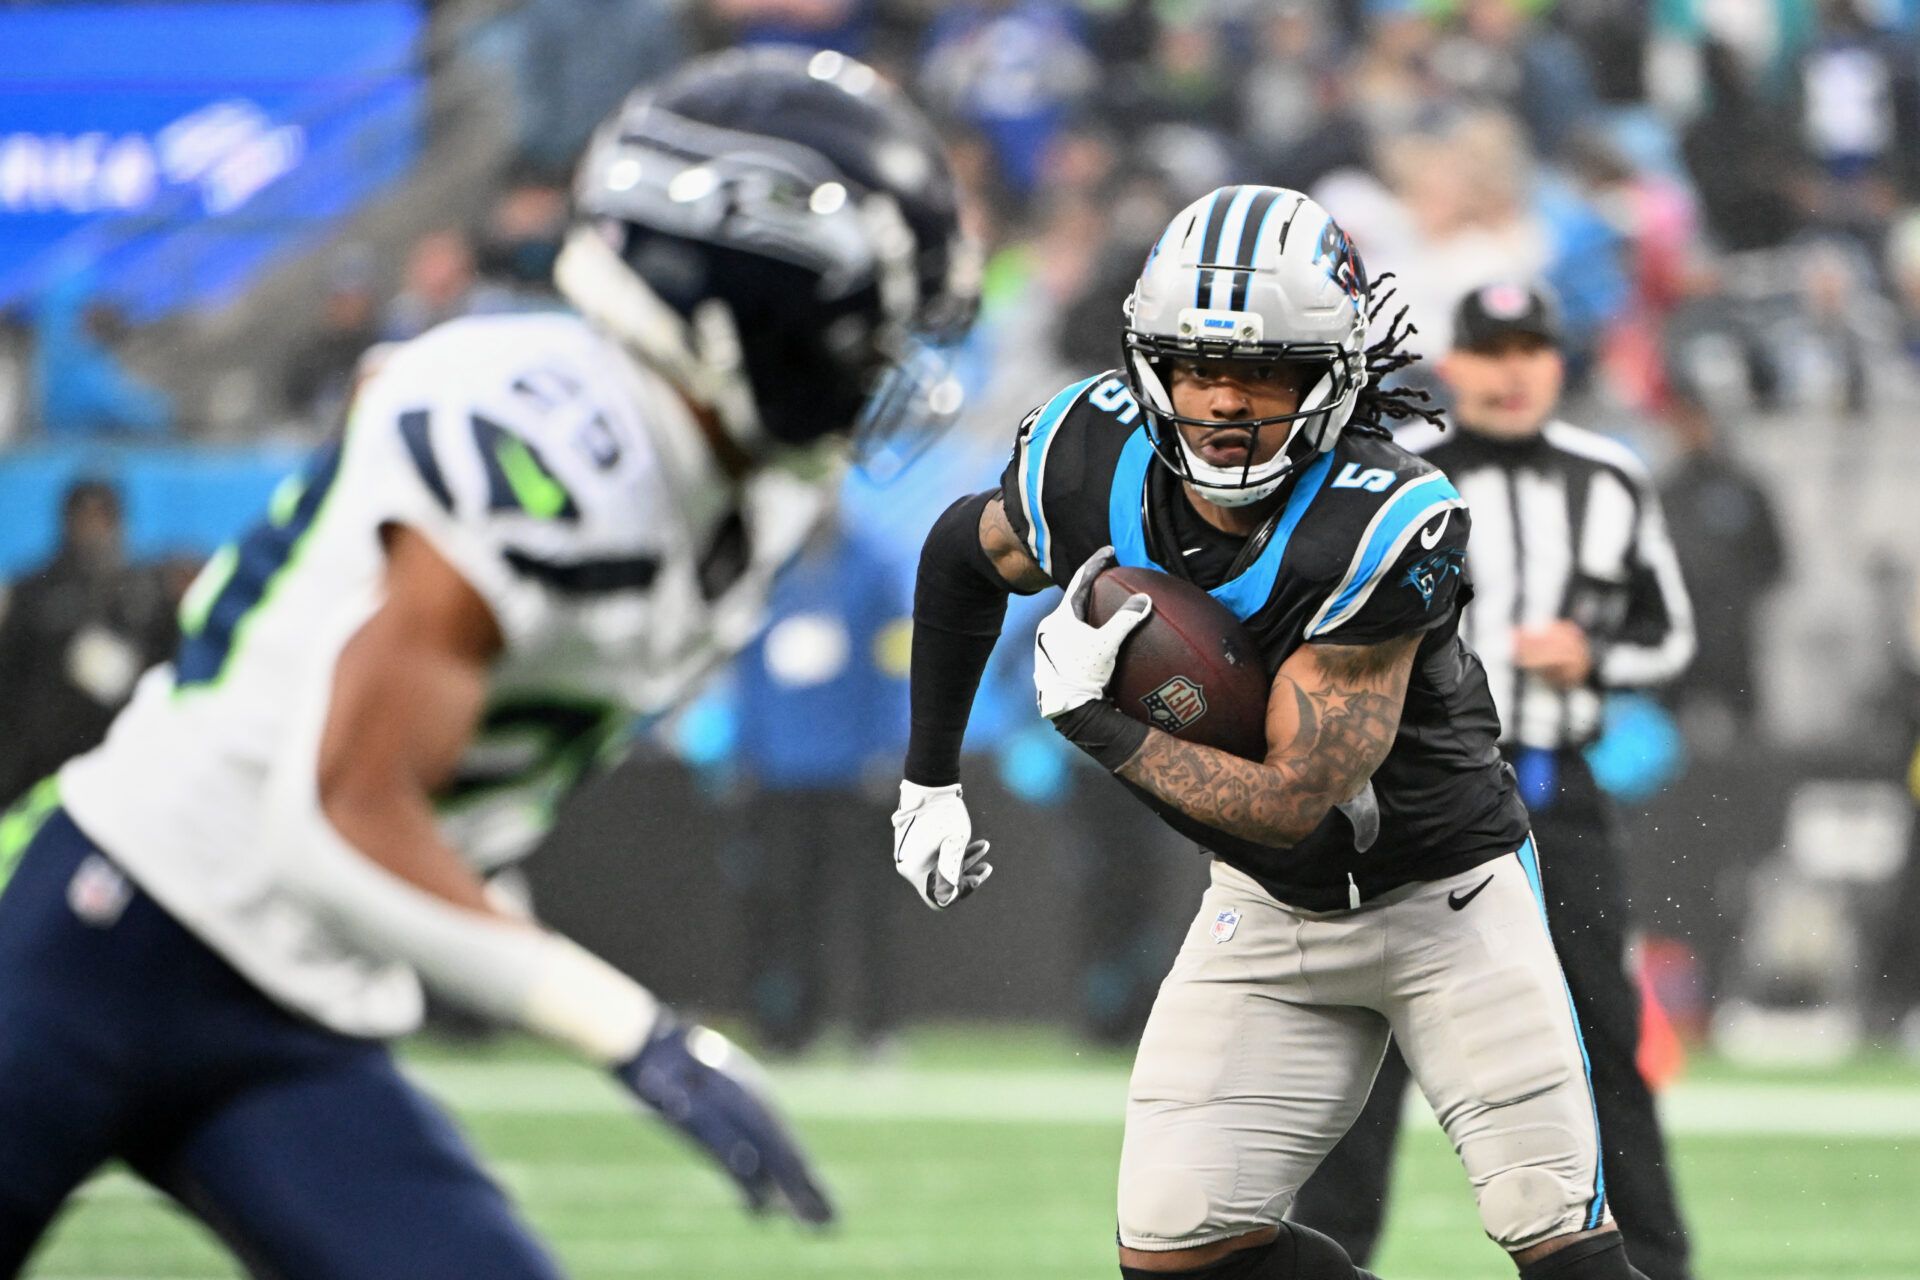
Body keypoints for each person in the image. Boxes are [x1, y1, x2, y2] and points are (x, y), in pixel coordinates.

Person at [0, 47, 978, 1277]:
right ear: (748, 308)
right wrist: (637, 1034)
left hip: (301, 1000)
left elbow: (435, 802)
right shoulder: (542, 434)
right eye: (863, 330)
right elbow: (340, 814)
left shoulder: (747, 490)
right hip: (107, 931)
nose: (882, 368)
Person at [896, 184, 1650, 1280]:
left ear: (1335, 376)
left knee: (1563, 1248)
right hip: (1268, 912)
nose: (1226, 403)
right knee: (1178, 1251)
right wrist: (929, 781)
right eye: (1199, 368)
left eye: (1266, 372)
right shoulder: (1086, 455)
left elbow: (1299, 797)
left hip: (1448, 902)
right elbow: (962, 555)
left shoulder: (1384, 517)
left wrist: (1094, 720)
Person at [1291, 281, 1697, 1280]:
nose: (1513, 369)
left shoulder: (1611, 478)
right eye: (1492, 349)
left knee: (1602, 1026)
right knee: (1374, 1029)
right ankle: (1336, 1255)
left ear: (1560, 363)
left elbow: (1672, 634)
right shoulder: (1397, 479)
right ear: (1457, 364)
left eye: (1533, 349)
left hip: (1557, 791)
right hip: (1418, 794)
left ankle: (1652, 1261)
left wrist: (1592, 658)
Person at [0, 479, 176, 810]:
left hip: (120, 762)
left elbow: (166, 673)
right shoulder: (34, 593)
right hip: (43, 767)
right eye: (85, 518)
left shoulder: (145, 594)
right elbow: (10, 684)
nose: (94, 531)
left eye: (103, 518)